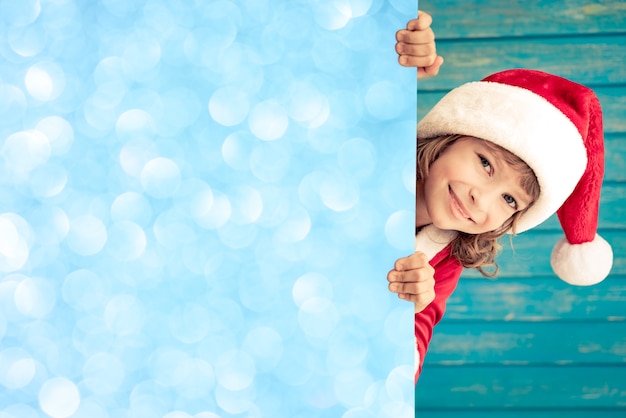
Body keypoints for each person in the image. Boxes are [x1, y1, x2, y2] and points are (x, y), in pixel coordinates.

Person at [389, 13, 614, 383]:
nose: (482, 200)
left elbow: (415, 338)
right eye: (485, 164)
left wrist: (406, 311)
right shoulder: (372, 152)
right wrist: (393, 61)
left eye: (510, 201)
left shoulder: (444, 256)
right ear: (448, 137)